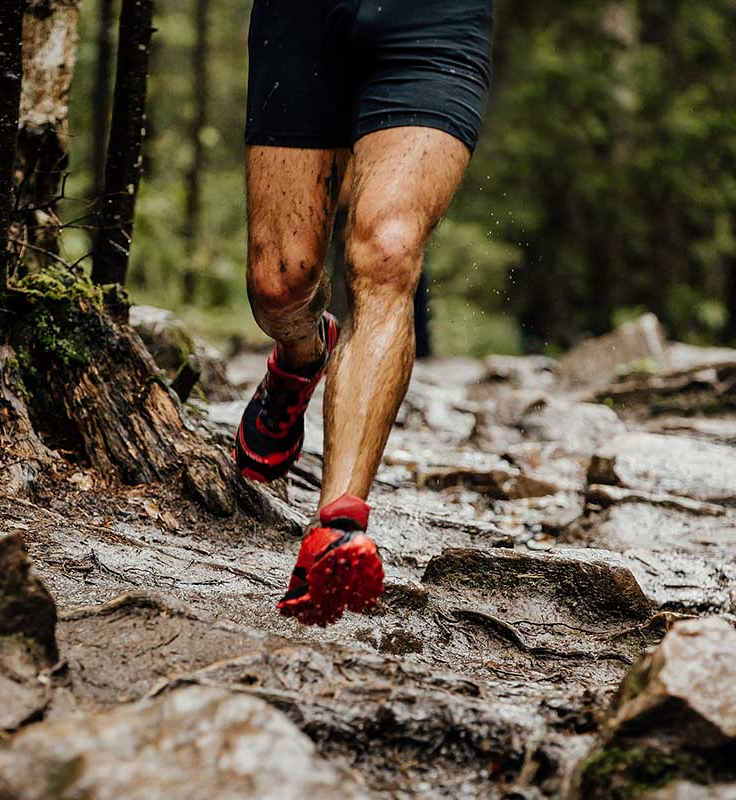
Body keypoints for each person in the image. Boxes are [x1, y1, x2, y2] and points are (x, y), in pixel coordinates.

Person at [233, 0, 496, 626]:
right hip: (303, 17)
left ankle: (336, 530)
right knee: (279, 282)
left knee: (388, 249)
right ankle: (302, 356)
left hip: (435, 19)